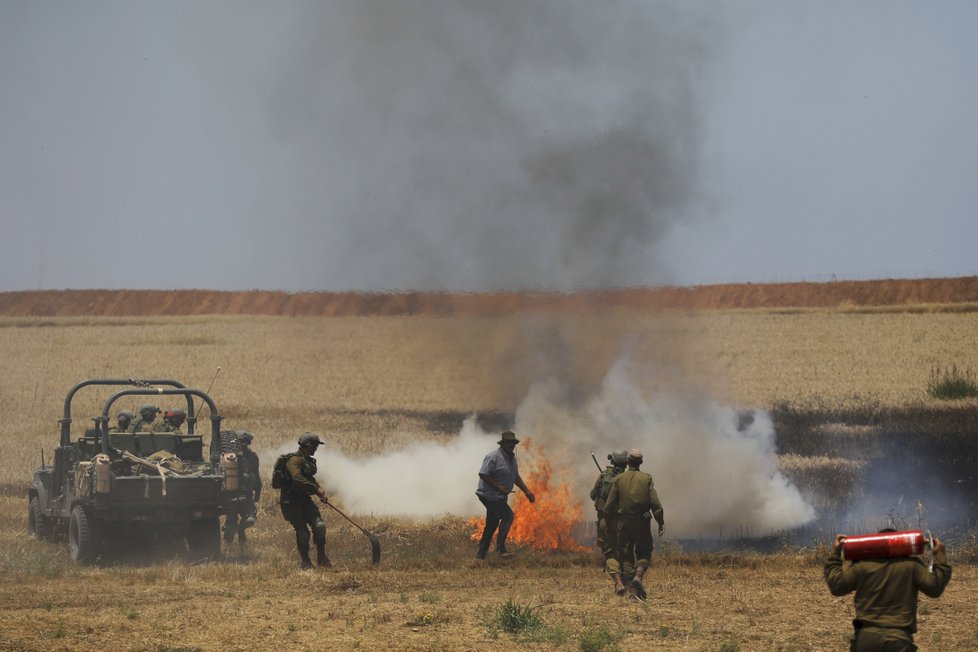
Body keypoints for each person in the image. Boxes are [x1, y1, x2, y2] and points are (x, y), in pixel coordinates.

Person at [824, 529, 952, 651]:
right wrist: (940, 555)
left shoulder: (862, 566)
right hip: (899, 641)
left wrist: (835, 554)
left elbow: (837, 586)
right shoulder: (912, 565)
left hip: (866, 640)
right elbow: (935, 588)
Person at [603, 449, 664, 600]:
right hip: (642, 522)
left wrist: (609, 522)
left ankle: (632, 592)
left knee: (626, 556)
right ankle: (639, 576)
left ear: (628, 462)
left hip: (623, 523)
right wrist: (660, 521)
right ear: (641, 462)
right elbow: (655, 503)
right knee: (644, 552)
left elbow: (608, 506)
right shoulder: (647, 478)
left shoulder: (618, 479)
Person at [475, 430, 535, 559]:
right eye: (508, 442)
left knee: (492, 523)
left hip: (499, 496)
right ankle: (500, 549)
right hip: (489, 495)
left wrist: (527, 491)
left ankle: (481, 554)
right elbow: (483, 474)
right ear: (502, 444)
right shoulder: (493, 457)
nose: (510, 445)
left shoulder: (512, 458)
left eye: (512, 443)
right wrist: (499, 487)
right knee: (508, 515)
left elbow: (515, 477)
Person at [279, 432, 330, 569]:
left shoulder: (307, 461)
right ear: (308, 446)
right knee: (303, 532)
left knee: (320, 526)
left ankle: (322, 558)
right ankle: (306, 562)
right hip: (291, 502)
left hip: (304, 500)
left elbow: (309, 479)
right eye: (314, 446)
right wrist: (316, 489)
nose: (316, 449)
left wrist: (319, 491)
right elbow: (298, 479)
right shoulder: (294, 461)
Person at [590, 449, 628, 576]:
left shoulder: (604, 476)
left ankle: (614, 572)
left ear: (613, 461)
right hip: (622, 518)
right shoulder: (627, 478)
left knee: (607, 546)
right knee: (623, 546)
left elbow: (592, 495)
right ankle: (624, 570)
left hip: (604, 520)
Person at [224, 432, 261, 544]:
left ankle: (241, 530)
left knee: (250, 519)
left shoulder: (252, 456)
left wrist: (258, 491)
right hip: (231, 495)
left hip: (246, 494)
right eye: (241, 441)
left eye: (245, 442)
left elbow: (256, 474)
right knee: (232, 525)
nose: (243, 444)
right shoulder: (229, 457)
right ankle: (228, 545)